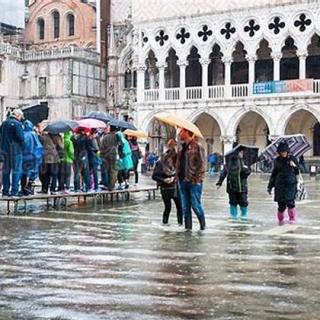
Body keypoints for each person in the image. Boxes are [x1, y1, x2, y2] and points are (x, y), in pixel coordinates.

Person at [176, 128, 206, 231]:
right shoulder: (181, 148)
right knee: (185, 207)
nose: (179, 133)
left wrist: (196, 179)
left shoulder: (198, 146)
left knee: (195, 205)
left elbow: (202, 164)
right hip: (182, 181)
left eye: (181, 132)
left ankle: (203, 227)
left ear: (188, 132)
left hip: (194, 182)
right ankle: (188, 229)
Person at [267, 141, 300, 225]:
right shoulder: (277, 160)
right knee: (281, 205)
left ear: (287, 151)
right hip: (280, 185)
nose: (283, 153)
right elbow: (274, 174)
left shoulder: (292, 159)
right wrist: (270, 186)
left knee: (290, 202)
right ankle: (281, 220)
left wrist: (294, 166)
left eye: (285, 152)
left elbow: (297, 171)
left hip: (290, 184)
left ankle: (292, 219)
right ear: (279, 152)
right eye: (281, 152)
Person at [152, 142, 183, 225]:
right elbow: (154, 176)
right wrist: (163, 180)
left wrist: (175, 177)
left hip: (176, 188)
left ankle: (180, 224)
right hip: (165, 188)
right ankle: (165, 224)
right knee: (168, 207)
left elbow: (180, 173)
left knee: (180, 207)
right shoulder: (160, 163)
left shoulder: (177, 164)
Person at [216, 147, 251, 219]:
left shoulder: (244, 162)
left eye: (242, 152)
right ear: (236, 153)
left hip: (242, 187)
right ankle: (233, 216)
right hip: (232, 186)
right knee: (233, 202)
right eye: (240, 152)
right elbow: (224, 173)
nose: (242, 154)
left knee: (243, 202)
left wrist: (246, 170)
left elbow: (247, 174)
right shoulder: (229, 163)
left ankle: (244, 216)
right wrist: (219, 182)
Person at [1, 109, 25, 197]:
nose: (20, 119)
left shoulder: (4, 123)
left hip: (4, 150)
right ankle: (14, 191)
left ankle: (5, 191)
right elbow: (21, 137)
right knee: (16, 170)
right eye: (20, 117)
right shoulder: (17, 124)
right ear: (18, 115)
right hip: (15, 150)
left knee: (6, 171)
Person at [21, 120, 43, 195]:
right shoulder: (33, 134)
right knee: (33, 173)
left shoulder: (22, 134)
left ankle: (23, 188)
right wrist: (38, 156)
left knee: (23, 173)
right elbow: (38, 146)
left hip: (23, 157)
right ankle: (29, 188)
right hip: (32, 157)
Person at [100, 126, 119, 191]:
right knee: (113, 171)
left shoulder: (105, 137)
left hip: (105, 156)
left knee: (107, 171)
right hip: (114, 156)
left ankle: (107, 185)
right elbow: (121, 144)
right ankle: (111, 186)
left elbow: (101, 147)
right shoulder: (117, 137)